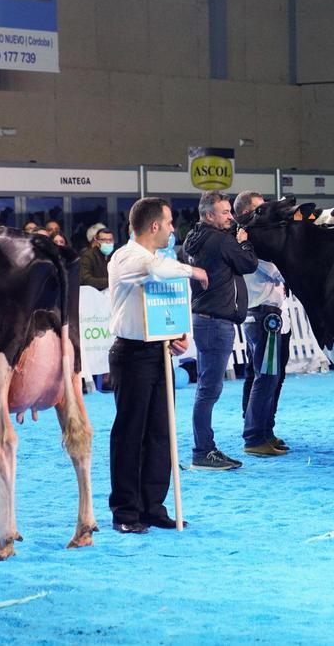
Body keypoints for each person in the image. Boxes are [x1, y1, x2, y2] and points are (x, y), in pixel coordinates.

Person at [107, 197, 208, 533]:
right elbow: (155, 271)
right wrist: (192, 270)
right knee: (130, 434)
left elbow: (168, 303)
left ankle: (153, 506)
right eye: (167, 223)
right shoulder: (127, 257)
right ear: (154, 226)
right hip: (132, 354)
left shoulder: (159, 259)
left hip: (158, 352)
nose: (171, 229)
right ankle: (125, 512)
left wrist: (178, 339)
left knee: (160, 434)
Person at [183, 191, 259, 468]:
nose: (231, 217)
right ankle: (203, 451)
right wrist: (244, 243)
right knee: (208, 390)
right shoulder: (220, 240)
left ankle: (204, 448)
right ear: (209, 216)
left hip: (205, 320)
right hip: (216, 323)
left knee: (206, 387)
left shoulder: (193, 240)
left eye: (230, 211)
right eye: (225, 213)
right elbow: (248, 264)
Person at [234, 191, 293, 457]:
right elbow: (272, 270)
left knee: (267, 376)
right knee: (265, 376)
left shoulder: (254, 240)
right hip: (262, 314)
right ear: (246, 212)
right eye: (259, 210)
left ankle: (264, 430)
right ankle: (254, 436)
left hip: (269, 313)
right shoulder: (247, 242)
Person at [80, 227, 115, 291]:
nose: (108, 242)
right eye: (104, 240)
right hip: (93, 294)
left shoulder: (115, 255)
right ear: (97, 241)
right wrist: (110, 282)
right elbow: (86, 279)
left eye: (110, 240)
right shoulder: (88, 256)